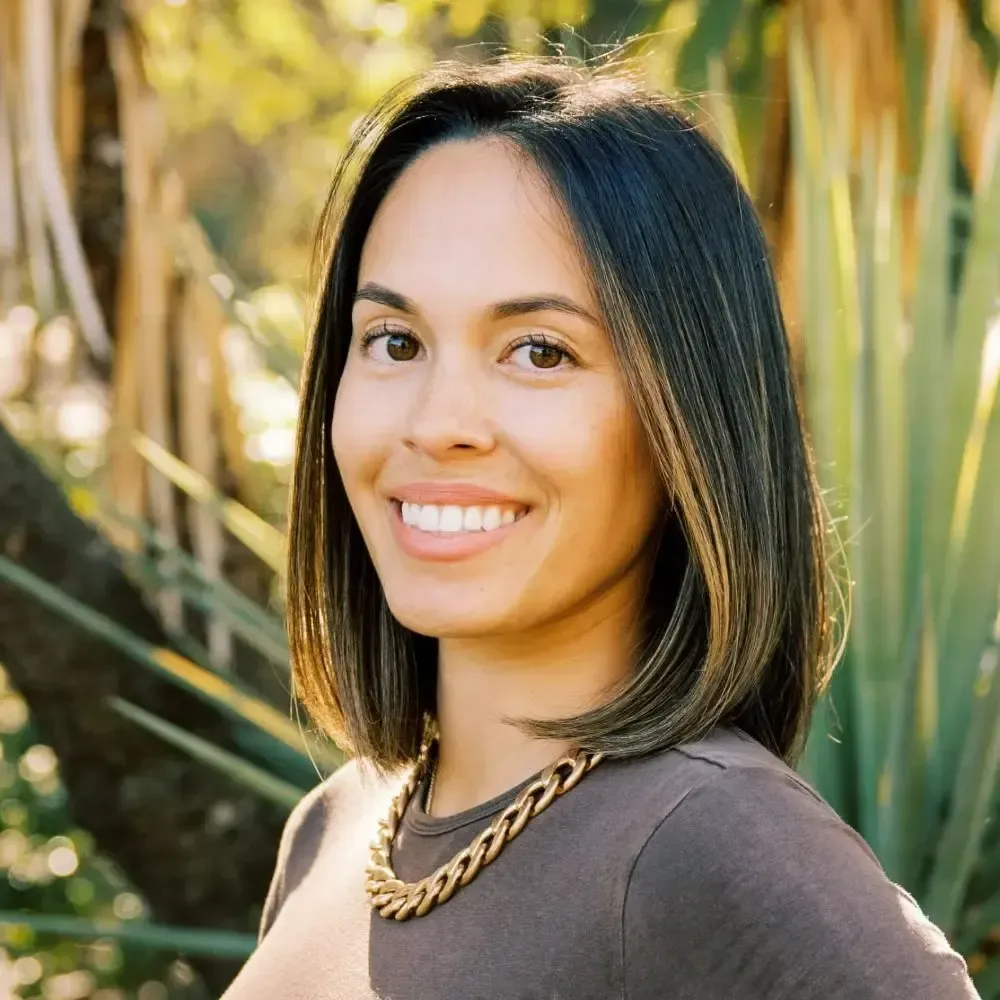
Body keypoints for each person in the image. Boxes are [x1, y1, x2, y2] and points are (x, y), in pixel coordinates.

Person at [221, 56, 979, 1000]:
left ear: (687, 424)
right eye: (396, 342)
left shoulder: (722, 850)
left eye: (539, 351)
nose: (433, 420)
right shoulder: (340, 825)